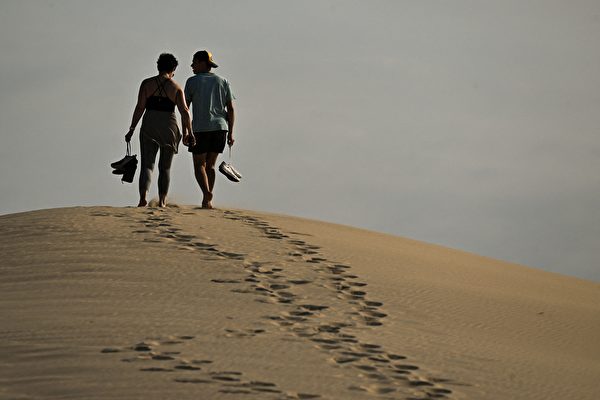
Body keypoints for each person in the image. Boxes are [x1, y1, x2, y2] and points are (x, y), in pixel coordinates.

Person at [125, 53, 195, 207]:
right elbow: (185, 112)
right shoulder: (176, 88)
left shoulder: (146, 84)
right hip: (169, 127)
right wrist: (190, 132)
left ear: (158, 67)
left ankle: (143, 197)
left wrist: (131, 129)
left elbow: (139, 107)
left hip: (149, 124)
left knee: (147, 165)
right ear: (173, 69)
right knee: (165, 168)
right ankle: (162, 201)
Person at [184, 50, 235, 209]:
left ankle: (206, 193)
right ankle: (208, 200)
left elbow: (185, 108)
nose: (192, 65)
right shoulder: (223, 81)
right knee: (211, 165)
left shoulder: (192, 82)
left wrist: (186, 131)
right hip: (220, 127)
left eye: (194, 62)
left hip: (200, 128)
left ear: (201, 63)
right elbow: (231, 109)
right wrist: (231, 132)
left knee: (199, 165)